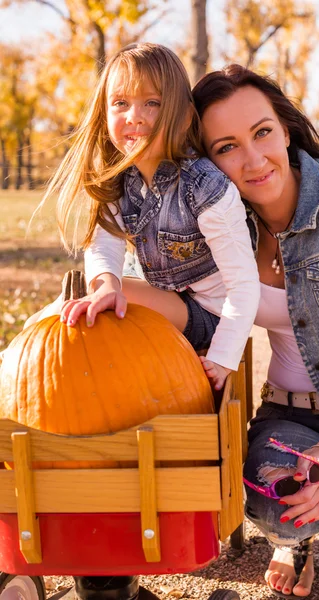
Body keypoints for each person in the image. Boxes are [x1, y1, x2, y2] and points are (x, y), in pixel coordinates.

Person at [188, 65, 319, 600]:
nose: (254, 159)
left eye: (262, 132)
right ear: (207, 163)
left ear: (285, 127)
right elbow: (184, 307)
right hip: (289, 420)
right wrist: (108, 288)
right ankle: (295, 543)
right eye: (226, 147)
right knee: (282, 509)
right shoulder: (213, 225)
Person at [26, 43, 260, 391]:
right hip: (164, 293)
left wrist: (223, 357)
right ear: (105, 115)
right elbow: (103, 241)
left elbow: (243, 285)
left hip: (211, 314)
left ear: (181, 117)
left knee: (78, 310)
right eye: (121, 103)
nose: (134, 115)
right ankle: (23, 365)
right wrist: (106, 284)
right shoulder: (120, 179)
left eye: (152, 103)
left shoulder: (206, 187)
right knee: (68, 311)